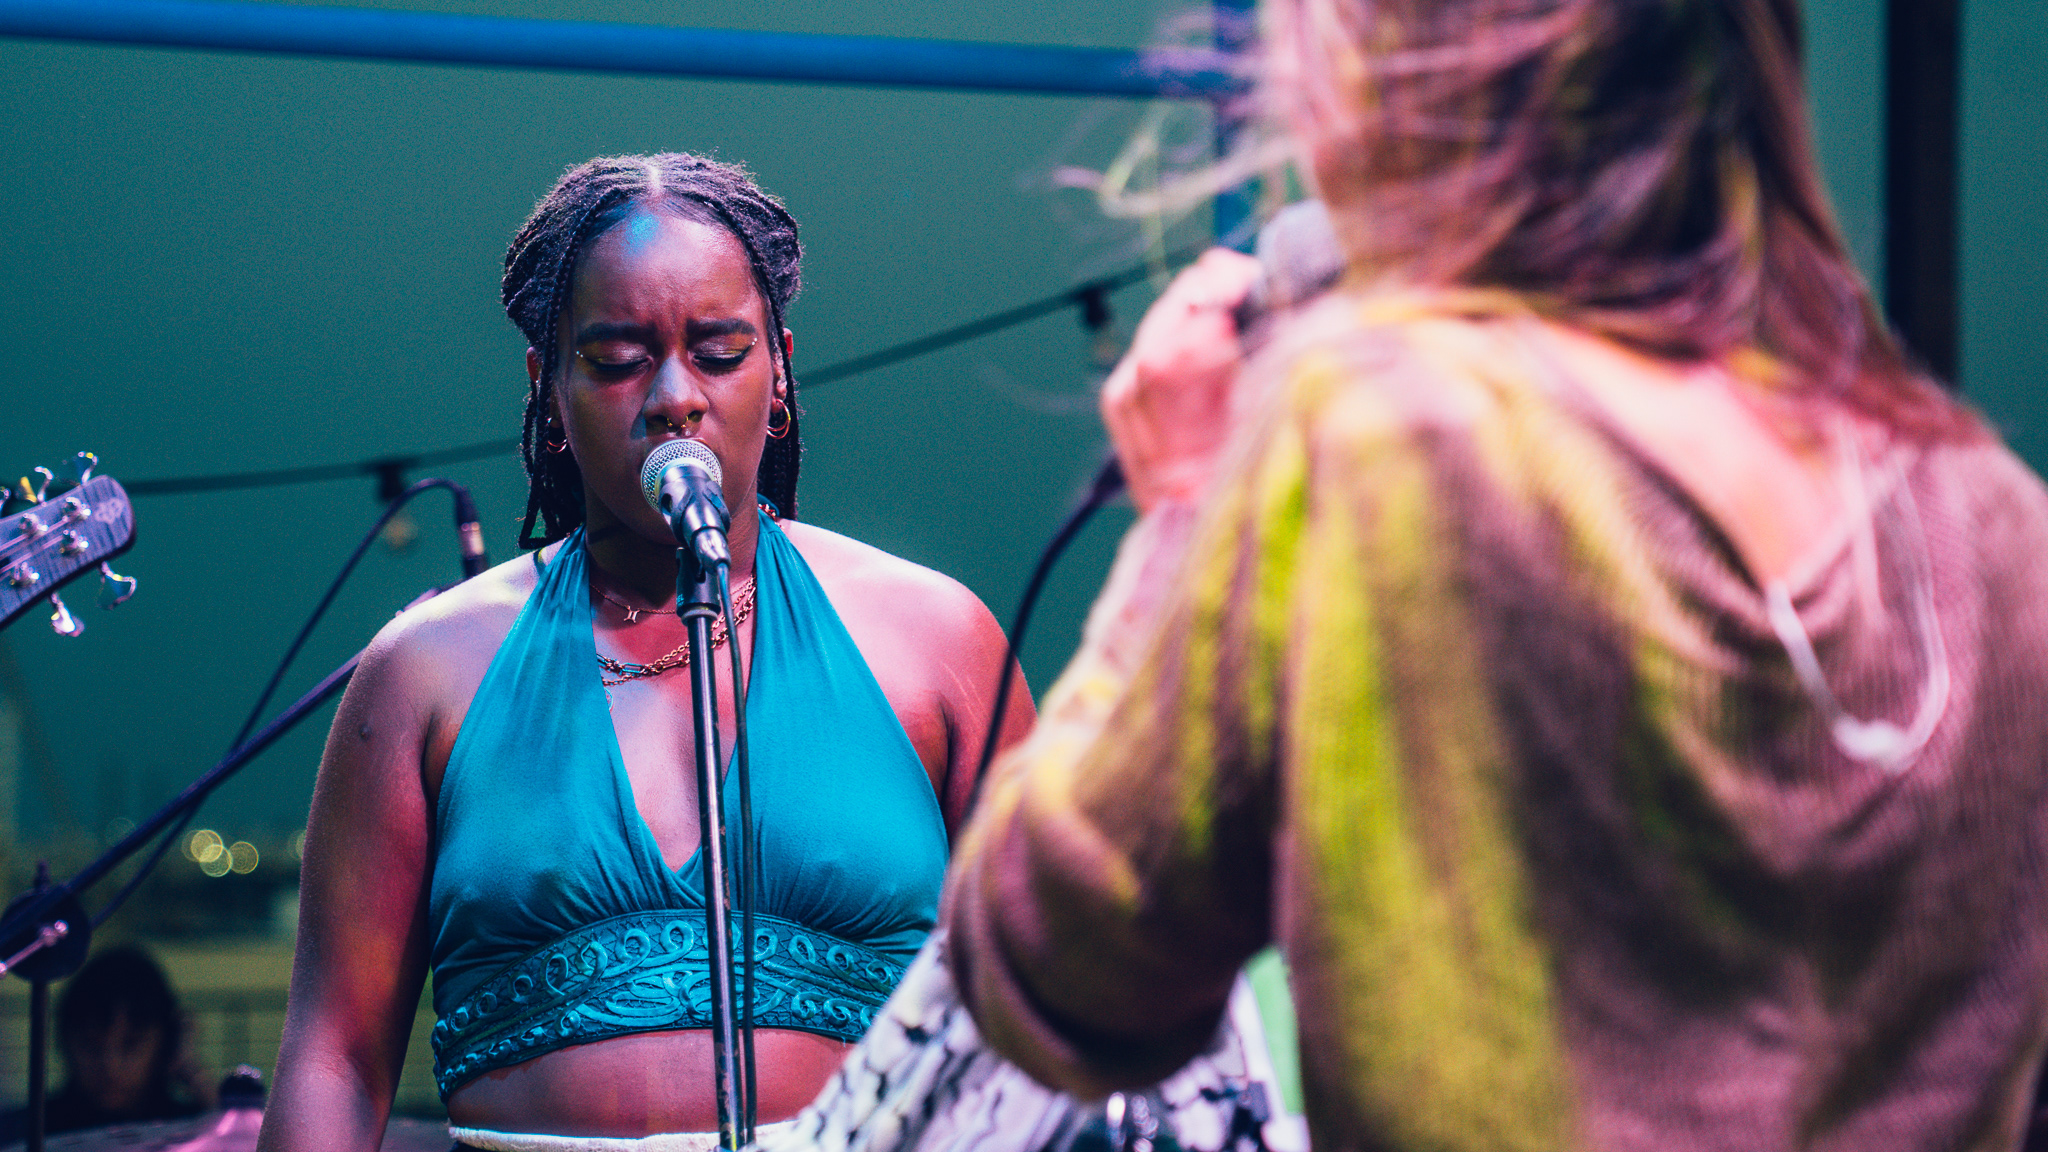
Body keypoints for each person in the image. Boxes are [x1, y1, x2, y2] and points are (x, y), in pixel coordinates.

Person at [942, 0, 2048, 1148]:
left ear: (1384, 62)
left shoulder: (1386, 432)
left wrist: (1185, 508)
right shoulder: (1994, 518)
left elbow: (1062, 971)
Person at [259, 153, 1030, 1152]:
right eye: (619, 357)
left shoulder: (937, 640)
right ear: (548, 388)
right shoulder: (425, 671)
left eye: (720, 351)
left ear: (779, 371)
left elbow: (1053, 1011)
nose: (673, 396)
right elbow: (336, 1057)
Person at [0, 945, 208, 1138]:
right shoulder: (28, 1131)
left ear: (164, 1044)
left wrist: (191, 1074)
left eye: (131, 1045)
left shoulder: (192, 1126)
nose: (109, 1065)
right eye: (91, 1045)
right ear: (67, 1041)